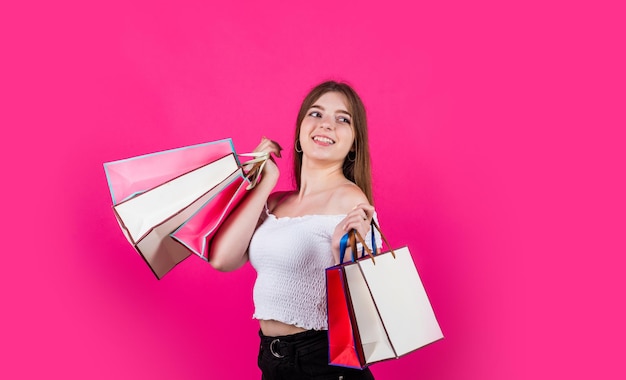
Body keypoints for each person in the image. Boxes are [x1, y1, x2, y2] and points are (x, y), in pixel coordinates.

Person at [210, 81, 379, 379]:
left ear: (354, 143)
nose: (326, 125)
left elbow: (364, 305)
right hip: (273, 360)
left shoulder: (351, 200)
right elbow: (223, 259)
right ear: (300, 133)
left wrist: (342, 252)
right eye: (316, 114)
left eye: (343, 119)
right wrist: (264, 182)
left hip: (323, 363)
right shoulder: (276, 201)